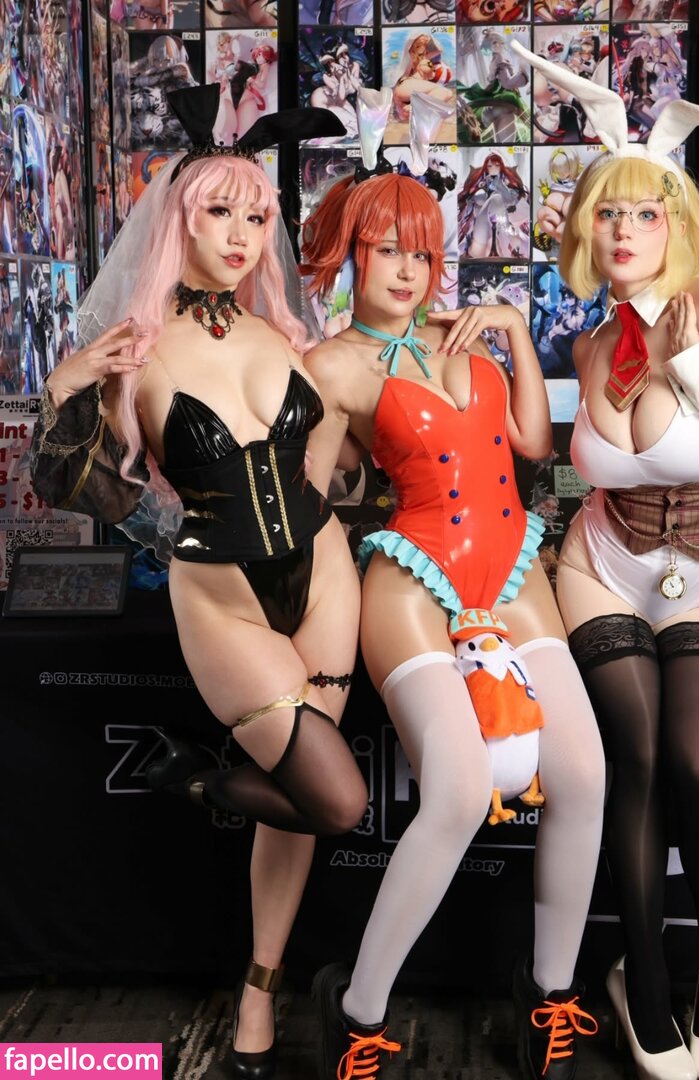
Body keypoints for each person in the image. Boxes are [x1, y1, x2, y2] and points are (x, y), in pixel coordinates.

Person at [30, 87, 368, 1080]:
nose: (241, 235)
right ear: (178, 218)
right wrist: (63, 387)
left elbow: (338, 470)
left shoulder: (281, 336)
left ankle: (258, 993)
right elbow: (81, 487)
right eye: (219, 212)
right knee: (335, 799)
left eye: (256, 216)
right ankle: (191, 776)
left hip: (326, 574)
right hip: (221, 595)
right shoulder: (135, 352)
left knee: (299, 795)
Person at [512, 41, 699, 1080]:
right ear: (587, 230)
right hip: (602, 563)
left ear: (677, 225)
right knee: (633, 763)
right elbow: (570, 466)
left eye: (646, 213)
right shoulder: (590, 345)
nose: (626, 231)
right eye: (609, 214)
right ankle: (639, 980)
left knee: (695, 764)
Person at [300, 169, 605, 1080]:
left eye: (424, 254)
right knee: (462, 792)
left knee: (585, 773)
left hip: (513, 569)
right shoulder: (329, 365)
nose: (408, 271)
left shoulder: (468, 336)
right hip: (411, 578)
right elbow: (306, 504)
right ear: (353, 255)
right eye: (388, 250)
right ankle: (357, 1011)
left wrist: (515, 330)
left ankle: (548, 993)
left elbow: (535, 447)